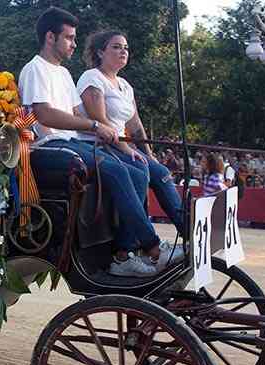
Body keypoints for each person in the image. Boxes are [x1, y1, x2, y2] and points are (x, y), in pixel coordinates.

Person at [18, 6, 181, 276]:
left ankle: (124, 252)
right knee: (116, 168)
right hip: (46, 146)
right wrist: (95, 125)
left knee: (137, 169)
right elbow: (44, 114)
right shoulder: (35, 69)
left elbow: (75, 113)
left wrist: (104, 130)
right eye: (69, 38)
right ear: (50, 37)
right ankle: (152, 247)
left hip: (71, 143)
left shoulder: (63, 73)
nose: (74, 44)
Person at [76, 30, 184, 235]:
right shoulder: (92, 78)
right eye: (116, 47)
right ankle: (131, 244)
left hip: (121, 145)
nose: (123, 51)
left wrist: (150, 155)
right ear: (100, 52)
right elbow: (100, 121)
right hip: (99, 144)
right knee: (139, 170)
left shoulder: (126, 86)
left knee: (161, 172)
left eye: (125, 47)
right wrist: (127, 149)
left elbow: (135, 125)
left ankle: (187, 229)